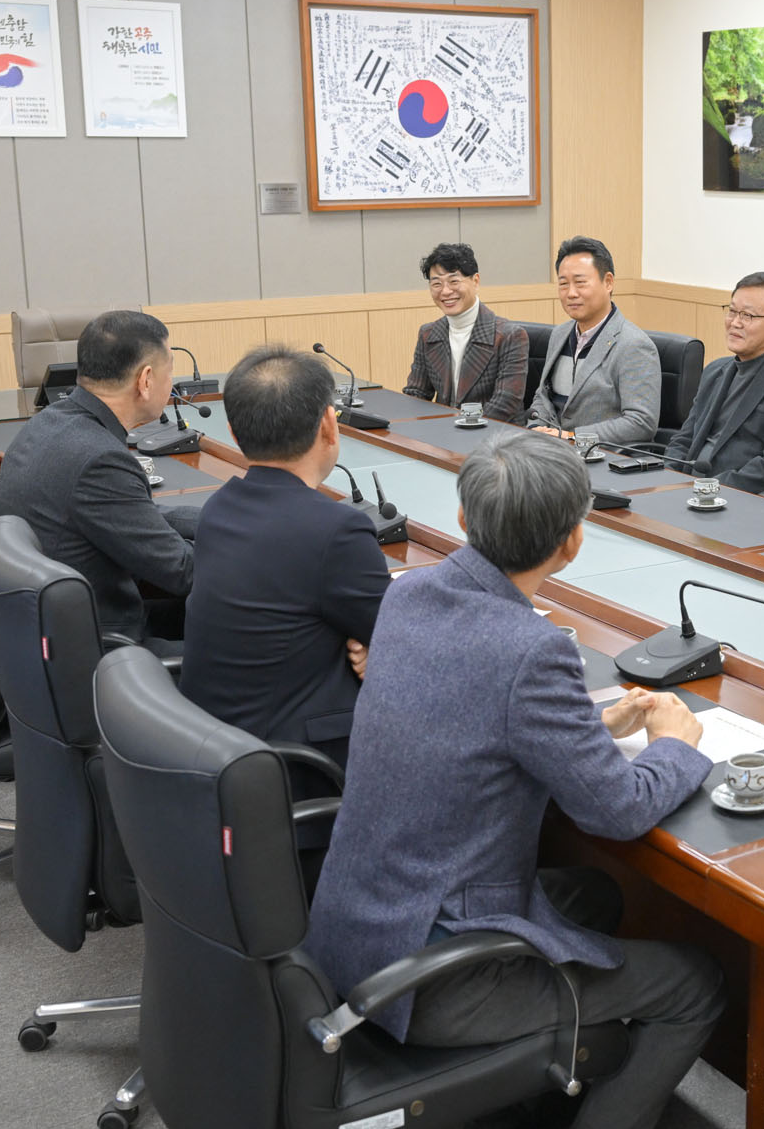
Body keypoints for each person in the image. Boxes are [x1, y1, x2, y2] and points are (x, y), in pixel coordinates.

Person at [306, 429, 722, 1129]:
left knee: (595, 896)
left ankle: (518, 1102)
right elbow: (617, 811)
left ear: (462, 518)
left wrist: (592, 725)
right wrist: (677, 745)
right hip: (429, 976)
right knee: (695, 984)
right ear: (573, 542)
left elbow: (465, 717)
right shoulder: (532, 649)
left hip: (352, 926)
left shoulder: (411, 595)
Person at [181, 344, 386, 771]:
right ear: (329, 423)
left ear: (233, 433)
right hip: (299, 768)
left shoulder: (219, 508)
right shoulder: (337, 531)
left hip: (221, 751)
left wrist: (381, 644)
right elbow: (407, 647)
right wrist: (382, 651)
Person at [0, 310, 196, 648]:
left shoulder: (50, 422)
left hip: (34, 630)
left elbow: (132, 516)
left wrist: (217, 521)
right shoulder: (101, 460)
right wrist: (249, 547)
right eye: (170, 370)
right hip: (90, 646)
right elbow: (182, 571)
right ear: (145, 380)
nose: (172, 382)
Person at [662, 271, 764, 493]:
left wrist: (703, 489)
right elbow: (684, 439)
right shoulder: (715, 371)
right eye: (732, 311)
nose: (735, 323)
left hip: (736, 499)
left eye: (747, 315)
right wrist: (666, 477)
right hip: (686, 489)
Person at [526, 236, 661, 447]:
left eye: (580, 283)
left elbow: (641, 422)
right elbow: (543, 396)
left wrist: (572, 437)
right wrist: (536, 427)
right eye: (563, 284)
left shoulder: (634, 345)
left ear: (608, 282)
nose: (571, 293)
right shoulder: (560, 334)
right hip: (551, 450)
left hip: (599, 455)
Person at [403, 242, 530, 421]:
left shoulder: (510, 336)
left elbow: (504, 405)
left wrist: (457, 428)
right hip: (442, 432)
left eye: (454, 281)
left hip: (495, 433)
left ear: (475, 281)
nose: (445, 291)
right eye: (436, 284)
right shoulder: (428, 334)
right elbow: (416, 394)